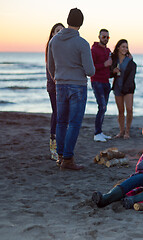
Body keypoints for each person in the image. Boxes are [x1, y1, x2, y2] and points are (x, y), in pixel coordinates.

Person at [48, 8, 95, 170]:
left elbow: (50, 66)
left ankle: (60, 156)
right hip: (77, 86)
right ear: (81, 23)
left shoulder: (54, 41)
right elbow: (90, 71)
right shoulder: (82, 43)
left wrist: (57, 77)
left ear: (67, 20)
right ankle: (68, 159)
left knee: (61, 122)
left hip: (60, 84)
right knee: (74, 123)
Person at [45, 23, 64, 162]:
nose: (59, 33)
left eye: (62, 31)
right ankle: (53, 146)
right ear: (52, 34)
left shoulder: (63, 48)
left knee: (60, 115)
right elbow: (52, 70)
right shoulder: (51, 47)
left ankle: (58, 145)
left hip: (62, 86)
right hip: (54, 86)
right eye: (57, 31)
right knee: (57, 114)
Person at [110, 39, 136, 139]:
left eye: (126, 47)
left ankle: (127, 132)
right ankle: (121, 131)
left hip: (128, 88)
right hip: (117, 87)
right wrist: (113, 71)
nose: (125, 49)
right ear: (118, 47)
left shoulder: (130, 61)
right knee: (120, 111)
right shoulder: (114, 59)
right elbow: (109, 74)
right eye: (123, 47)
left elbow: (131, 76)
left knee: (129, 109)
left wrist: (125, 88)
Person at [91, 29, 112, 142]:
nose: (105, 39)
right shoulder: (93, 50)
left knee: (104, 108)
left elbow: (110, 66)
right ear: (99, 36)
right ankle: (96, 133)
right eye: (103, 37)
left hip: (106, 82)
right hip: (97, 81)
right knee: (102, 107)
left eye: (107, 37)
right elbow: (91, 67)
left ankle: (100, 132)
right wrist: (104, 64)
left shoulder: (108, 50)